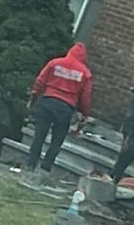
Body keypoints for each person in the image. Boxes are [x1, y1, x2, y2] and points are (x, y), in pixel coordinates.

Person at [24, 43, 92, 177]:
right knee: (57, 140)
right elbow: (86, 96)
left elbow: (40, 81)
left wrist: (34, 97)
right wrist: (84, 113)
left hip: (48, 101)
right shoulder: (85, 73)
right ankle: (46, 167)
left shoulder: (55, 63)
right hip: (66, 107)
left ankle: (31, 164)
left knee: (39, 135)